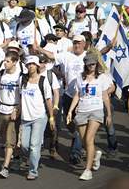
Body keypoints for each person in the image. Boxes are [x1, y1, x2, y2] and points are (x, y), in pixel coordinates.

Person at [36, 34, 87, 166]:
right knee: (69, 123)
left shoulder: (88, 56)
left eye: (79, 43)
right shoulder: (66, 55)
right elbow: (52, 56)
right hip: (69, 95)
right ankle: (78, 137)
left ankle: (75, 152)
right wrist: (39, 49)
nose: (76, 45)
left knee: (79, 122)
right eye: (75, 42)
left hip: (84, 97)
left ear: (84, 44)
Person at [66, 52, 112, 181]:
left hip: (96, 110)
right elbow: (77, 95)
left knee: (89, 139)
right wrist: (70, 111)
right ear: (85, 65)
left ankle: (88, 170)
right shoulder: (80, 78)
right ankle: (95, 155)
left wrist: (108, 114)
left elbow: (105, 96)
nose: (91, 66)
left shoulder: (102, 77)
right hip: (82, 110)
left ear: (97, 64)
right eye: (89, 64)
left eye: (93, 63)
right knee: (85, 140)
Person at [0, 51, 22, 178]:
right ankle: (17, 156)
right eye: (4, 61)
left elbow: (23, 96)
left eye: (8, 61)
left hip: (13, 111)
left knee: (9, 139)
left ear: (15, 62)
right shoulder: (0, 73)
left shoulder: (20, 76)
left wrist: (17, 109)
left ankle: (5, 167)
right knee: (3, 135)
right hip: (1, 109)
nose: (5, 63)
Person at [19, 55, 55, 180]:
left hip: (39, 117)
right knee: (24, 145)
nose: (30, 66)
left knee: (34, 145)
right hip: (25, 118)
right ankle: (36, 155)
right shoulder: (22, 79)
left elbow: (48, 99)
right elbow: (19, 98)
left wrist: (51, 117)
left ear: (37, 66)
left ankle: (33, 171)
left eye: (33, 64)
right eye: (28, 64)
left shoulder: (43, 80)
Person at [37, 54, 61, 159]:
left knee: (53, 128)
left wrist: (55, 106)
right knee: (38, 128)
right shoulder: (32, 74)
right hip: (37, 106)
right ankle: (37, 149)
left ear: (45, 63)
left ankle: (53, 147)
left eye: (42, 62)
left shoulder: (50, 75)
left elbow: (56, 92)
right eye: (38, 62)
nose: (40, 64)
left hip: (49, 105)